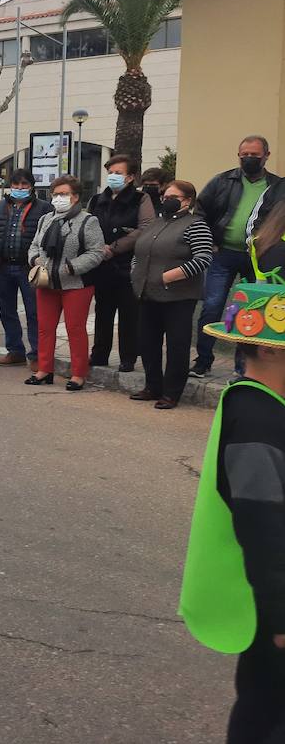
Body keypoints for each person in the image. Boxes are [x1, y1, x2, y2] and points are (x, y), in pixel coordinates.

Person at [178, 268, 285, 742]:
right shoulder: (257, 419)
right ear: (265, 347)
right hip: (267, 605)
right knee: (267, 710)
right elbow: (264, 528)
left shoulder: (266, 403)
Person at [194, 136, 280, 378]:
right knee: (211, 307)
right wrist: (208, 241)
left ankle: (243, 367)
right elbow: (200, 211)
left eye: (254, 155)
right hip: (222, 255)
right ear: (238, 155)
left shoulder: (277, 186)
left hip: (258, 259)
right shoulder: (222, 181)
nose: (249, 159)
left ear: (266, 156)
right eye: (245, 155)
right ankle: (203, 361)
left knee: (251, 312)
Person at [129, 179, 213, 409]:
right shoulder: (156, 222)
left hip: (179, 296)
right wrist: (135, 273)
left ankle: (172, 392)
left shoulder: (196, 224)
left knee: (177, 345)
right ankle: (152, 386)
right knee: (148, 343)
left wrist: (170, 275)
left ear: (188, 201)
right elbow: (140, 252)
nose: (167, 201)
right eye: (165, 197)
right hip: (148, 293)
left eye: (173, 198)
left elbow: (204, 258)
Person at [25, 175, 106, 390]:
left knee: (75, 329)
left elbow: (96, 252)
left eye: (64, 194)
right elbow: (34, 245)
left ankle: (78, 374)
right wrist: (35, 259)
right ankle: (44, 370)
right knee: (45, 328)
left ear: (75, 196)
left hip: (75, 285)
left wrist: (71, 267)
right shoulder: (45, 219)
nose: (59, 198)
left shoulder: (88, 221)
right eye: (56, 194)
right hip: (46, 283)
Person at [87, 155, 155, 373]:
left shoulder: (141, 199)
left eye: (118, 173)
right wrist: (98, 249)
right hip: (101, 265)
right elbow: (88, 226)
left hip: (128, 266)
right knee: (103, 312)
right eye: (110, 172)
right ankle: (99, 355)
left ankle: (128, 358)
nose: (113, 177)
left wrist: (114, 247)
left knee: (129, 314)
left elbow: (145, 228)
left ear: (130, 177)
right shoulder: (98, 200)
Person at [0, 170, 52, 371]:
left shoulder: (44, 208)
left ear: (31, 187)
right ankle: (15, 351)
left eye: (24, 185)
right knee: (7, 312)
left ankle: (37, 354)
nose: (20, 189)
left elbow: (50, 236)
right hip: (2, 267)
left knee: (35, 313)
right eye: (16, 185)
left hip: (28, 269)